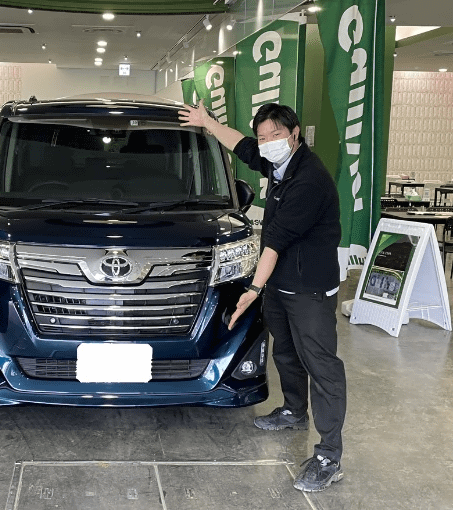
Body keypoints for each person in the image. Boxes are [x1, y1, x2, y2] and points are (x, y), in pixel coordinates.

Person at [179, 100, 347, 492]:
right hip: (282, 284)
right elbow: (241, 146)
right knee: (286, 353)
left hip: (310, 289)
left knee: (321, 365)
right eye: (264, 137)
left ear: (295, 135)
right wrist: (207, 123)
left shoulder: (310, 179)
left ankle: (329, 455)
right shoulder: (277, 163)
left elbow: (274, 242)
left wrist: (252, 289)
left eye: (276, 136)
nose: (268, 143)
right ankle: (293, 410)